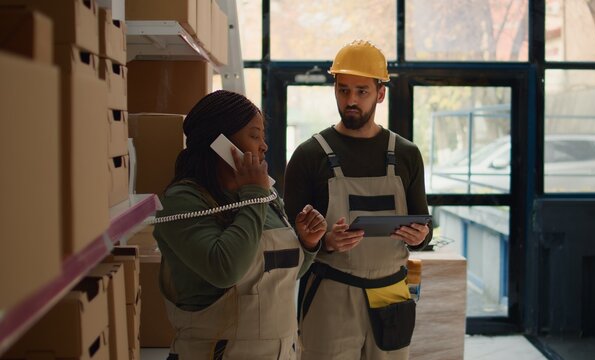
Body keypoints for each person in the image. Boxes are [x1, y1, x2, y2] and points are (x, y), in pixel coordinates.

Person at [283, 40, 432, 359]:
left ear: (380, 93)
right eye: (343, 89)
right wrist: (323, 243)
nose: (351, 100)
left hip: (391, 294)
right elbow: (287, 240)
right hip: (331, 292)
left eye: (361, 91)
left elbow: (422, 223)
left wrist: (421, 236)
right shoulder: (309, 155)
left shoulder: (406, 154)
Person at [153, 90, 326, 359]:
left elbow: (279, 275)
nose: (264, 146)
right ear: (220, 141)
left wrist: (307, 243)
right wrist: (253, 194)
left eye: (263, 137)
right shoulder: (184, 200)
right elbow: (226, 269)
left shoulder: (265, 198)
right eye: (254, 135)